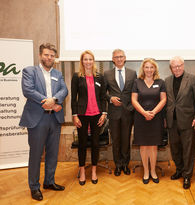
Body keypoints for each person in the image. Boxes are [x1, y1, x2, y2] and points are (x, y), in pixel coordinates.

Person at [19, 43, 68, 201]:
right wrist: (47, 101)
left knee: (53, 153)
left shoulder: (58, 74)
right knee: (36, 154)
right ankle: (34, 187)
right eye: (46, 55)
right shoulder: (30, 71)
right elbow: (28, 90)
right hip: (37, 119)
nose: (49, 58)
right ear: (40, 55)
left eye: (52, 55)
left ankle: (49, 181)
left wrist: (54, 100)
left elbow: (64, 90)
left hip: (54, 118)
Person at [165, 56, 195, 189]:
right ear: (171, 68)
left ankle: (187, 176)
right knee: (175, 148)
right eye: (174, 66)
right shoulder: (167, 80)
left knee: (187, 150)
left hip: (188, 121)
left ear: (183, 65)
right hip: (172, 121)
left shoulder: (192, 79)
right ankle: (179, 170)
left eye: (179, 65)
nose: (177, 68)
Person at [71, 50, 107, 185]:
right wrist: (74, 115)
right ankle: (81, 171)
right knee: (82, 144)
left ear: (93, 61)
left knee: (95, 144)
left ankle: (93, 171)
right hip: (82, 115)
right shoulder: (77, 76)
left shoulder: (100, 77)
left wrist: (104, 113)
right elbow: (73, 98)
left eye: (90, 59)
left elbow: (103, 97)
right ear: (82, 62)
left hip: (97, 115)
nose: (88, 62)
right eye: (85, 59)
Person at [131, 58, 167, 184]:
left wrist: (153, 112)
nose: (149, 70)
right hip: (141, 117)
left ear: (155, 69)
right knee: (143, 145)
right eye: (147, 67)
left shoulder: (160, 82)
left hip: (156, 118)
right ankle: (146, 171)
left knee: (153, 145)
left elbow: (163, 100)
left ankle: (153, 171)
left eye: (151, 67)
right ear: (143, 68)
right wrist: (144, 113)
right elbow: (134, 100)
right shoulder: (137, 82)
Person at [104, 49, 137, 176]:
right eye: (116, 57)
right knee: (116, 140)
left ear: (125, 58)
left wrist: (132, 107)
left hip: (128, 112)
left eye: (121, 56)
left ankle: (125, 164)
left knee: (126, 139)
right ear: (113, 59)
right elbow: (103, 93)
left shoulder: (132, 73)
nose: (119, 59)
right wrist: (110, 99)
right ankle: (118, 165)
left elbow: (135, 91)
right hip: (114, 112)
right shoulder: (107, 74)